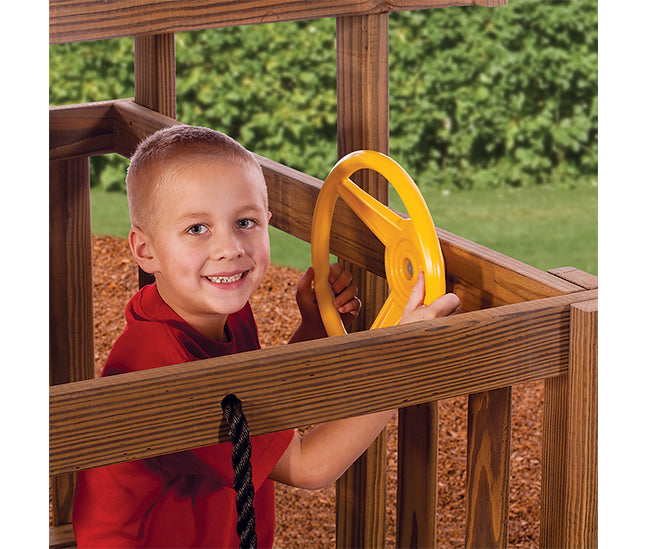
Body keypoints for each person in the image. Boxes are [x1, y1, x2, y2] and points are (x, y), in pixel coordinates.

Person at [72, 125, 461, 548]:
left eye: (245, 222)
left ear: (267, 224)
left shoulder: (217, 310)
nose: (230, 247)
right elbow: (308, 466)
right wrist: (405, 359)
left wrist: (313, 328)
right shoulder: (162, 368)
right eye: (197, 229)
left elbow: (262, 405)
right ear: (145, 250)